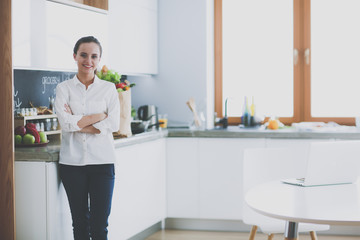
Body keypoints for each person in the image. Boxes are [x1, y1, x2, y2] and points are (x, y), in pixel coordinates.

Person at [55, 36, 120, 240]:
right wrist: (97, 118)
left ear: (99, 59)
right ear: (75, 56)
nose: (88, 60)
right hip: (72, 164)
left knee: (100, 226)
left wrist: (77, 122)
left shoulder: (108, 89)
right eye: (83, 55)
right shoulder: (63, 89)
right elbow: (64, 124)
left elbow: (114, 124)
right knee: (80, 224)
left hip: (102, 163)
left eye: (94, 56)